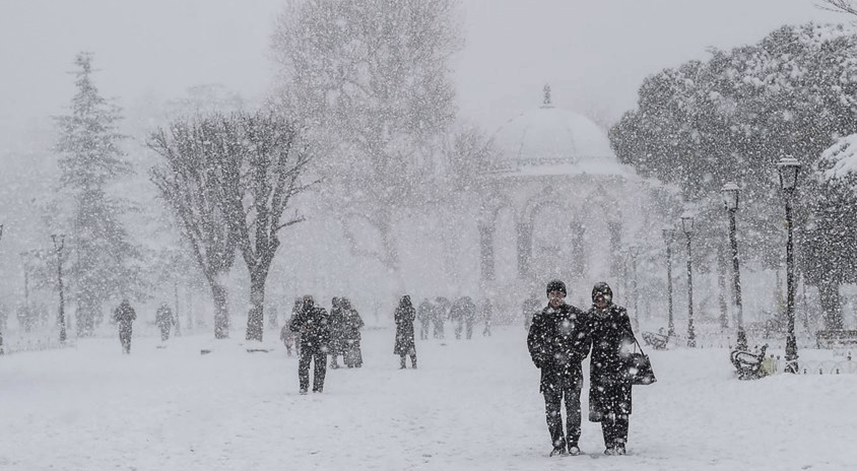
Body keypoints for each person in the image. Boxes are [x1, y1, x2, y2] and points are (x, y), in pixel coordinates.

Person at [527, 280, 591, 457]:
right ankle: (558, 444)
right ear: (548, 295)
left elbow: (585, 339)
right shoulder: (540, 317)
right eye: (553, 294)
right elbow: (532, 341)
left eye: (559, 294)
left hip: (572, 370)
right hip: (549, 372)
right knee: (552, 411)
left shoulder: (576, 315)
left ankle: (573, 443)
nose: (556, 298)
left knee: (573, 409)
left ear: (564, 295)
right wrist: (540, 358)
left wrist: (576, 355)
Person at [586, 281, 637, 456]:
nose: (600, 300)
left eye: (603, 296)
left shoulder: (620, 313)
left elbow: (630, 338)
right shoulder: (589, 316)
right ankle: (609, 443)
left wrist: (618, 332)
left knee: (621, 407)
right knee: (605, 407)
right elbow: (584, 341)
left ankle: (621, 442)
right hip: (600, 367)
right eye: (597, 297)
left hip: (620, 364)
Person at [289, 295, 331, 394]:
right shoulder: (301, 313)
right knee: (304, 365)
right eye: (306, 301)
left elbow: (328, 323)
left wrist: (319, 328)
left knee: (319, 366)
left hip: (319, 343)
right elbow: (293, 326)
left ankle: (318, 387)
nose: (308, 303)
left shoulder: (320, 311)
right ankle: (304, 387)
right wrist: (301, 328)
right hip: (307, 343)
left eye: (310, 301)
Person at [393, 295, 417, 369]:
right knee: (410, 346)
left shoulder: (398, 310)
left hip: (401, 330)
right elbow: (413, 318)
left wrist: (401, 322)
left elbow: (396, 321)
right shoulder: (412, 309)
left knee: (402, 347)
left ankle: (403, 364)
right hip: (409, 330)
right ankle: (414, 363)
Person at [341, 297, 365, 368]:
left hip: (352, 334)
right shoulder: (342, 313)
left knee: (354, 348)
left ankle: (355, 362)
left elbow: (360, 322)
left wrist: (354, 326)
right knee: (350, 348)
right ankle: (352, 362)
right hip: (349, 334)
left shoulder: (352, 312)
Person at [328, 297, 345, 369]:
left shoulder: (334, 309)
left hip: (335, 330)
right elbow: (341, 319)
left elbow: (331, 319)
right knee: (336, 347)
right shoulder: (339, 310)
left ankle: (334, 362)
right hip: (337, 331)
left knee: (335, 347)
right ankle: (334, 363)